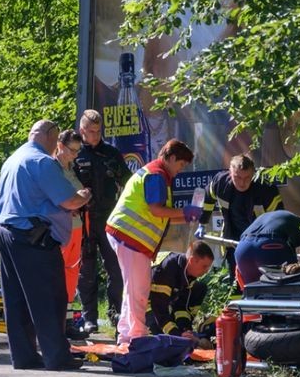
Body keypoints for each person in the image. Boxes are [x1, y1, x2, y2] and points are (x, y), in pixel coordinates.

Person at [0, 120, 93, 371]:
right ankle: (57, 357)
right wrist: (83, 197)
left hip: (7, 232)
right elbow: (69, 200)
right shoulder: (42, 162)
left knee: (17, 298)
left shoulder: (13, 158)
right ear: (50, 136)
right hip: (33, 236)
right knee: (50, 296)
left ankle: (24, 356)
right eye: (56, 138)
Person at [105, 138, 202, 344]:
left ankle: (126, 336)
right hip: (130, 237)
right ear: (172, 157)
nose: (180, 170)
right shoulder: (157, 175)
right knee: (139, 290)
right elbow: (157, 210)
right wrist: (184, 212)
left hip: (126, 234)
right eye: (181, 164)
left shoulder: (157, 174)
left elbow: (161, 214)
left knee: (133, 288)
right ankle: (137, 338)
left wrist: (184, 216)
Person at [73, 109, 130, 334]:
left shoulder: (112, 153)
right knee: (86, 271)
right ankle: (89, 317)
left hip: (108, 218)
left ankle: (116, 314)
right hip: (84, 218)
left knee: (115, 269)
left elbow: (127, 180)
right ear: (82, 130)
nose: (95, 136)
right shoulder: (75, 153)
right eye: (90, 132)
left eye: (98, 131)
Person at [199, 153, 283, 274]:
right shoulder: (221, 183)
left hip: (260, 246)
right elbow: (208, 196)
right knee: (236, 283)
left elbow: (279, 219)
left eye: (247, 178)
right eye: (237, 177)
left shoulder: (265, 189)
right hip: (232, 244)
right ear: (230, 172)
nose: (242, 183)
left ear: (253, 173)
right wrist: (202, 222)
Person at [54, 129, 86, 338]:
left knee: (71, 277)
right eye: (71, 150)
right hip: (61, 228)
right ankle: (54, 322)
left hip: (77, 227)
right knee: (56, 275)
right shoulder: (51, 168)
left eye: (77, 151)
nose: (74, 155)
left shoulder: (73, 169)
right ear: (60, 145)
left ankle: (67, 323)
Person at [147, 241, 215, 338]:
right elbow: (159, 308)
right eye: (204, 266)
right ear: (191, 260)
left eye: (208, 267)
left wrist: (185, 330)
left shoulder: (188, 271)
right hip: (144, 302)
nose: (206, 271)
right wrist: (176, 334)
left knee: (200, 288)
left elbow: (181, 305)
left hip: (160, 302)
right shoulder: (167, 270)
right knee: (159, 338)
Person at [233, 210, 300, 287]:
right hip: (270, 245)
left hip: (242, 248)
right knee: (288, 290)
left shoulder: (269, 217)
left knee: (253, 294)